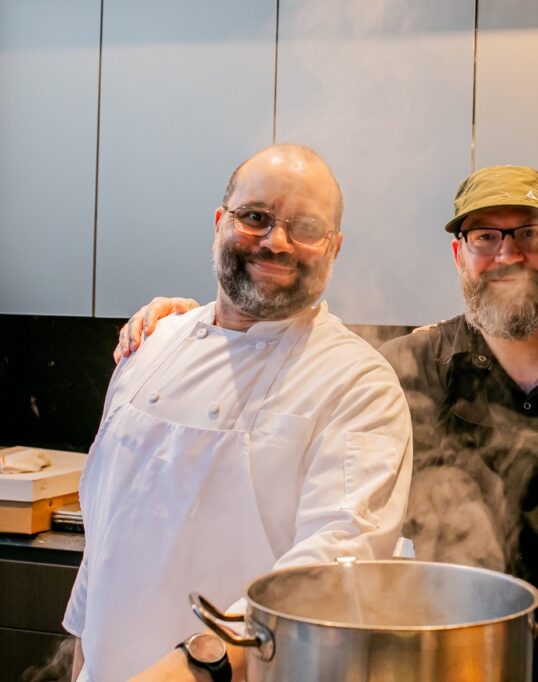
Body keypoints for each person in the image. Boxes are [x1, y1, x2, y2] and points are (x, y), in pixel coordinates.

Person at [118, 165, 538, 680]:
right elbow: (274, 344)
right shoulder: (400, 369)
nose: (507, 256)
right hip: (447, 666)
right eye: (484, 239)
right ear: (458, 255)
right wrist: (190, 329)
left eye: (528, 235)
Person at [64, 144, 413, 682]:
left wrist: (194, 667)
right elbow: (108, 524)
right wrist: (84, 648)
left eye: (306, 227)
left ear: (335, 247)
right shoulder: (152, 343)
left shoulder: (357, 382)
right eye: (255, 218)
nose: (276, 242)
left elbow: (333, 568)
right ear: (219, 222)